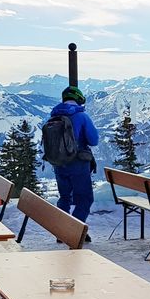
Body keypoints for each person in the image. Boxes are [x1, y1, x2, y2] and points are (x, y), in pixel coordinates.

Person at [49, 86, 99, 241]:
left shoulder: (54, 116)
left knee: (64, 198)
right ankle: (74, 230)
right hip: (78, 163)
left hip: (58, 163)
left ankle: (63, 231)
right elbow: (94, 140)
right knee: (85, 199)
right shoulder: (81, 116)